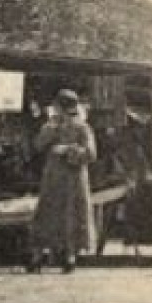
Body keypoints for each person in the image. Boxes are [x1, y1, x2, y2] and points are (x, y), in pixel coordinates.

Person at [28, 89, 97, 273]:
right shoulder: (51, 126)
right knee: (47, 214)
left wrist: (68, 150)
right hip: (53, 177)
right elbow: (38, 144)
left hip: (72, 178)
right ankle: (38, 256)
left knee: (70, 215)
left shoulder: (83, 127)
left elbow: (91, 153)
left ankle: (69, 256)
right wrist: (50, 129)